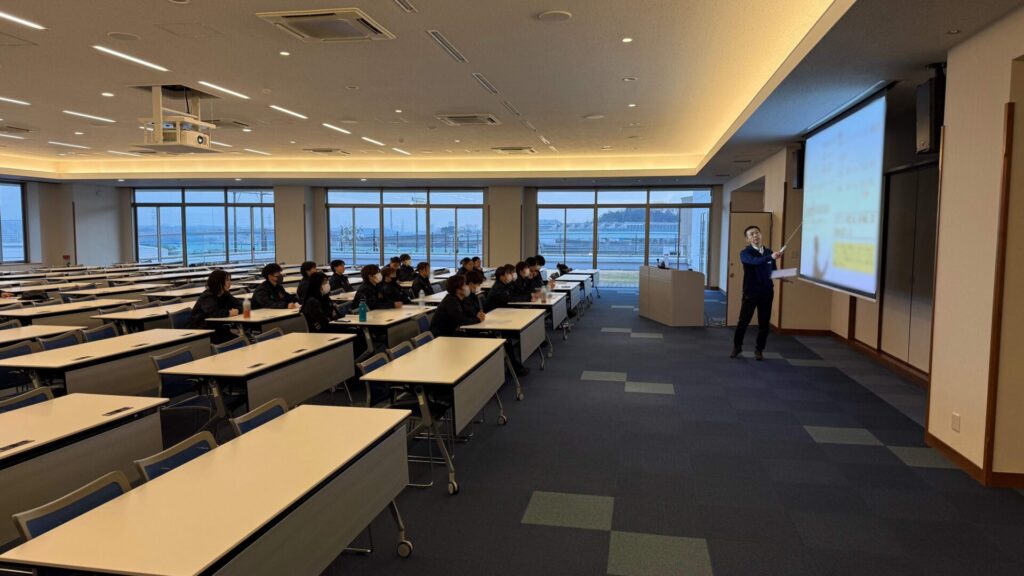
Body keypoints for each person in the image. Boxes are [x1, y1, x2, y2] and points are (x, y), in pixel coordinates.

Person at [731, 225, 780, 361]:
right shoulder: (745, 253)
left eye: (757, 233)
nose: (755, 236)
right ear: (747, 239)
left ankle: (759, 350)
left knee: (764, 324)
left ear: (761, 235)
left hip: (767, 292)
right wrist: (770, 257)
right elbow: (753, 262)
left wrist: (782, 276)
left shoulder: (769, 252)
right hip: (751, 292)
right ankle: (737, 347)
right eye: (751, 234)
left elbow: (772, 271)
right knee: (743, 322)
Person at [186, 269, 242, 343]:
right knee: (238, 341)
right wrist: (229, 313)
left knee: (240, 340)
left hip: (217, 328)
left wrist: (238, 310)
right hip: (202, 330)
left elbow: (239, 304)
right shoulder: (208, 296)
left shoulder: (224, 294)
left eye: (230, 280)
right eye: (227, 280)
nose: (230, 283)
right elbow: (213, 313)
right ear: (218, 282)